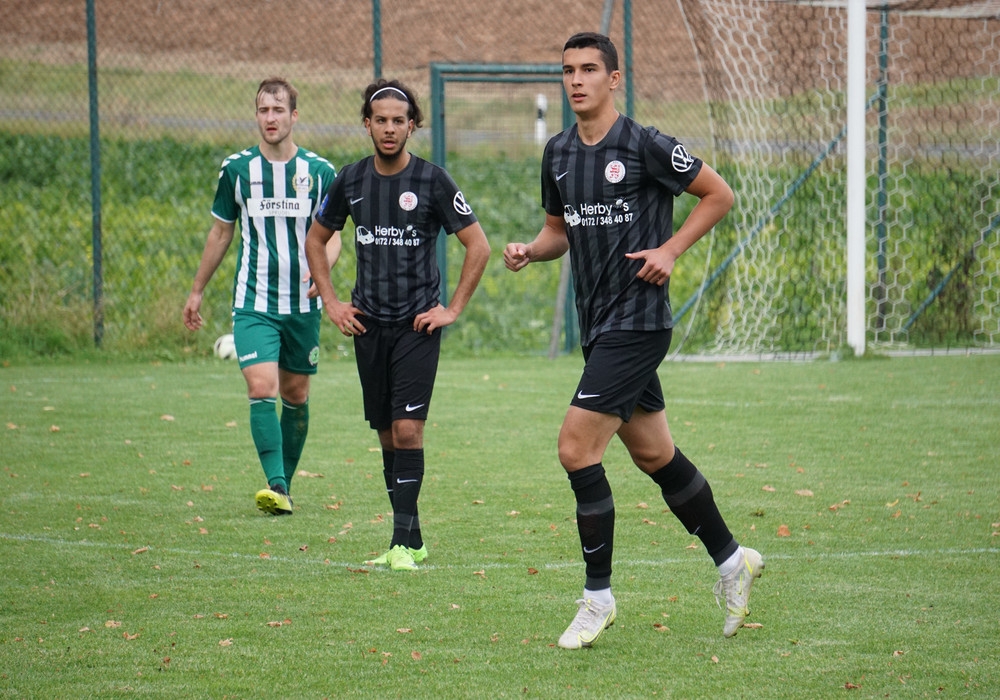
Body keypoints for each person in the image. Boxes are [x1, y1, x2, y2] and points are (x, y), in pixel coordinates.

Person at [503, 32, 764, 648]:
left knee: (576, 449)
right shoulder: (559, 152)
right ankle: (733, 561)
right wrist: (531, 251)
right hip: (598, 326)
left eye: (589, 69)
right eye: (568, 70)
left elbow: (719, 194)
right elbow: (559, 231)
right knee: (655, 456)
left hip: (639, 323)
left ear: (613, 79)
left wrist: (671, 249)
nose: (576, 80)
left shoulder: (646, 145)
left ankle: (597, 598)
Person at [305, 79, 490, 571]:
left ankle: (400, 545)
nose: (389, 128)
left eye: (398, 121)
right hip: (368, 325)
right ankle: (414, 537)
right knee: (388, 435)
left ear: (413, 126)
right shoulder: (350, 180)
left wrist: (451, 309)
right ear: (367, 125)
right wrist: (332, 303)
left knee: (408, 430)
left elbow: (478, 246)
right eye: (381, 120)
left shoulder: (432, 181)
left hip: (417, 326)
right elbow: (316, 239)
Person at [184, 77, 339, 516]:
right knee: (261, 387)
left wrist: (323, 273)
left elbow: (332, 236)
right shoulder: (236, 170)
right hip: (254, 302)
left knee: (296, 395)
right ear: (256, 116)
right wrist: (196, 290)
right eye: (263, 110)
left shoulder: (320, 172)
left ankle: (283, 488)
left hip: (303, 304)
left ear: (294, 116)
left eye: (278, 110)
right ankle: (275, 484)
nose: (270, 118)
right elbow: (220, 233)